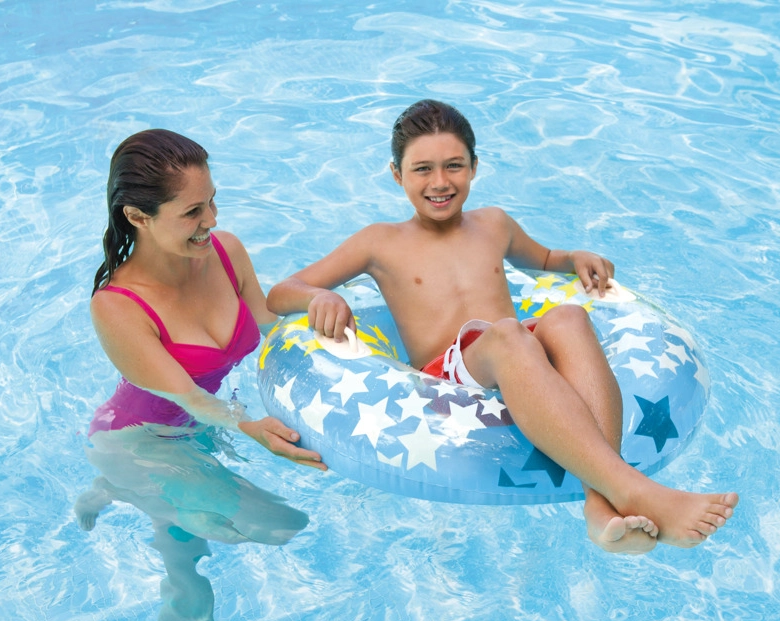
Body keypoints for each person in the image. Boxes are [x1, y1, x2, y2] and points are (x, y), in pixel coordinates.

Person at [267, 100, 738, 554]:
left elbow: (545, 259)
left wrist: (575, 258)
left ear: (474, 167)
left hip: (513, 356)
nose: (440, 182)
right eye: (422, 169)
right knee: (509, 333)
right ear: (397, 174)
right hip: (446, 378)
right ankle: (635, 488)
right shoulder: (379, 242)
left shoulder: (493, 224)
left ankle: (600, 507)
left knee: (568, 317)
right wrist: (318, 296)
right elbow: (281, 292)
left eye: (454, 166)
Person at [78, 129, 323, 621]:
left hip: (205, 421)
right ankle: (120, 483)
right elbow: (189, 397)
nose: (211, 220)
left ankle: (173, 579)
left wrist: (325, 316)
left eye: (213, 201)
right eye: (192, 212)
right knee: (281, 525)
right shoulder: (116, 306)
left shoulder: (226, 252)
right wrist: (251, 427)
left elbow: (271, 331)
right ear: (137, 216)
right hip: (140, 440)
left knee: (195, 533)